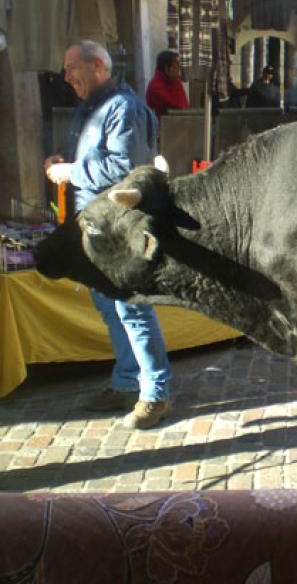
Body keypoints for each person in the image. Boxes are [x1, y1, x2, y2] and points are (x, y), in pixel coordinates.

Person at [43, 40, 171, 429]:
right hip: (94, 226)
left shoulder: (124, 107)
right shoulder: (90, 107)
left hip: (118, 226)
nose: (66, 76)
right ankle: (127, 382)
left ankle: (156, 393)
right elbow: (96, 161)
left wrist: (71, 172)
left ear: (98, 65)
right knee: (109, 307)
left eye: (72, 68)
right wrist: (65, 163)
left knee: (131, 308)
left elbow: (123, 167)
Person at [145, 49, 189, 119]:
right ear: (167, 69)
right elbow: (179, 107)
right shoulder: (156, 87)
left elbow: (185, 106)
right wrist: (176, 81)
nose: (179, 69)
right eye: (176, 66)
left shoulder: (172, 81)